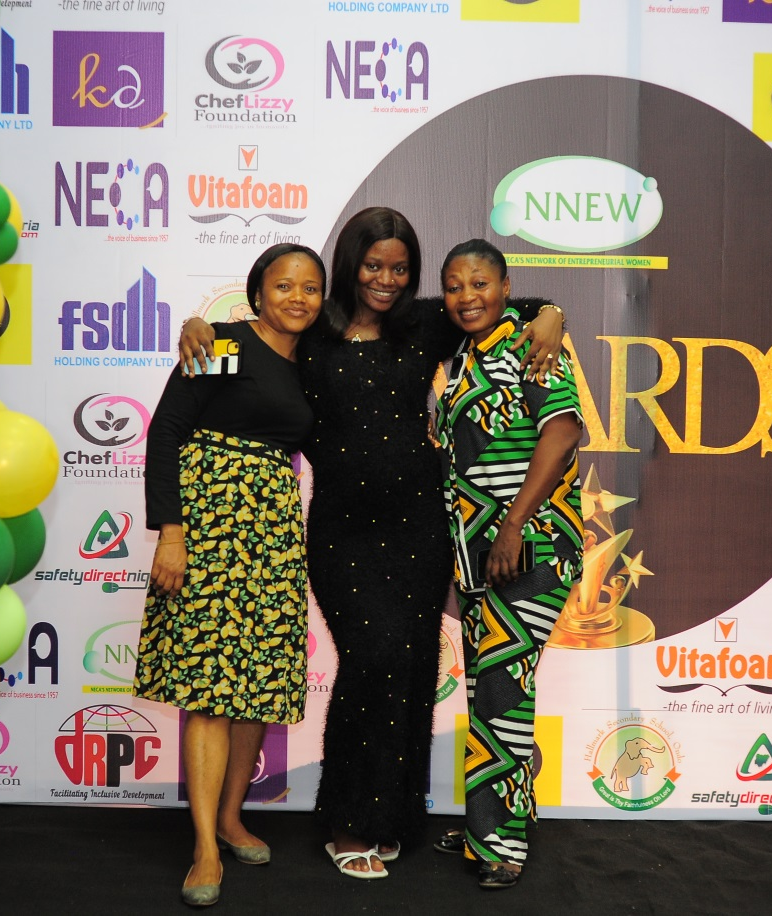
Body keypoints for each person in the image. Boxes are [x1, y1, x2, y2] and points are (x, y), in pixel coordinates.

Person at [179, 207, 566, 879]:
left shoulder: (423, 324)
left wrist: (553, 313)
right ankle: (346, 822)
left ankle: (393, 819)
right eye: (373, 266)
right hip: (342, 529)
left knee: (411, 668)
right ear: (350, 265)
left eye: (400, 269)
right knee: (371, 660)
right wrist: (196, 327)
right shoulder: (313, 330)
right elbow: (242, 348)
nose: (386, 280)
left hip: (419, 524)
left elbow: (506, 303)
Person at [133, 243, 327, 907]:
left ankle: (230, 817)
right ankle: (205, 848)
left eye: (310, 287)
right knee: (209, 690)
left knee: (259, 687)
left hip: (272, 533)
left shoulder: (316, 365)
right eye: (284, 285)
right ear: (258, 293)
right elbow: (165, 433)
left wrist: (547, 311)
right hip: (207, 527)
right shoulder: (223, 344)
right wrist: (172, 533)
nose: (297, 297)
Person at [432, 238, 584, 890]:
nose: (467, 296)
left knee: (502, 694)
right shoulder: (466, 355)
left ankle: (501, 845)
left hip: (529, 547)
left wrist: (514, 523)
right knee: (493, 692)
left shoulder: (531, 344)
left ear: (505, 287)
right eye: (454, 285)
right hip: (481, 557)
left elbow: (562, 430)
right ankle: (488, 822)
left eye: (480, 283)